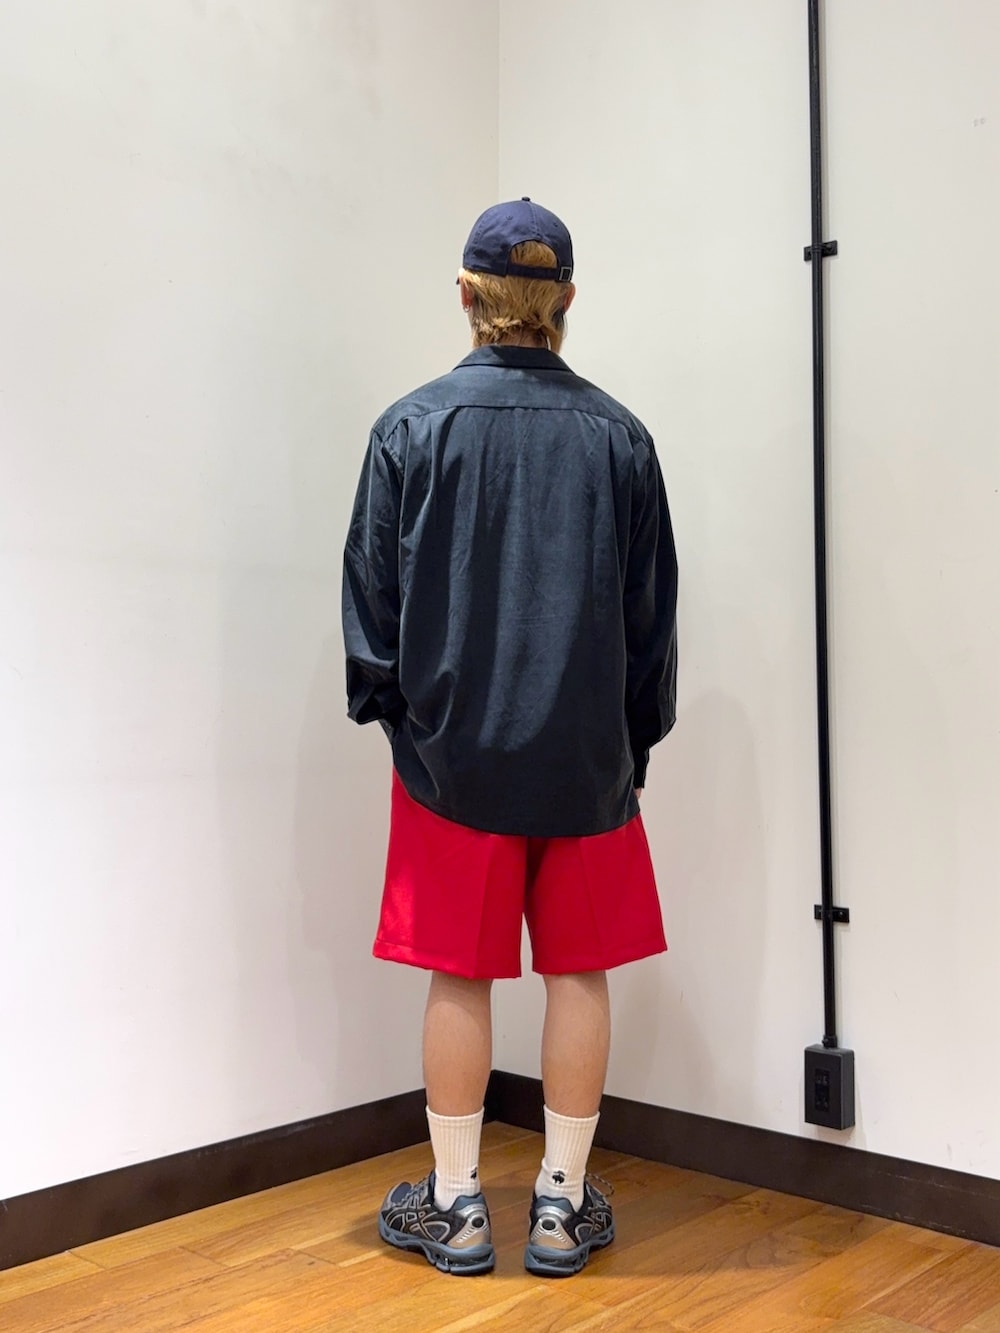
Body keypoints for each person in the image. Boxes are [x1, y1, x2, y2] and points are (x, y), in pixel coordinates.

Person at [342, 198, 677, 1278]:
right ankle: (560, 1206)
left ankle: (455, 1206)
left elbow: (371, 612)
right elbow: (649, 621)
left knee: (459, 974)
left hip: (451, 760)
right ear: (566, 300)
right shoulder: (621, 437)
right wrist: (629, 743)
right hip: (585, 760)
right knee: (578, 971)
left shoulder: (408, 428)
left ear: (466, 294)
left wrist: (408, 727)